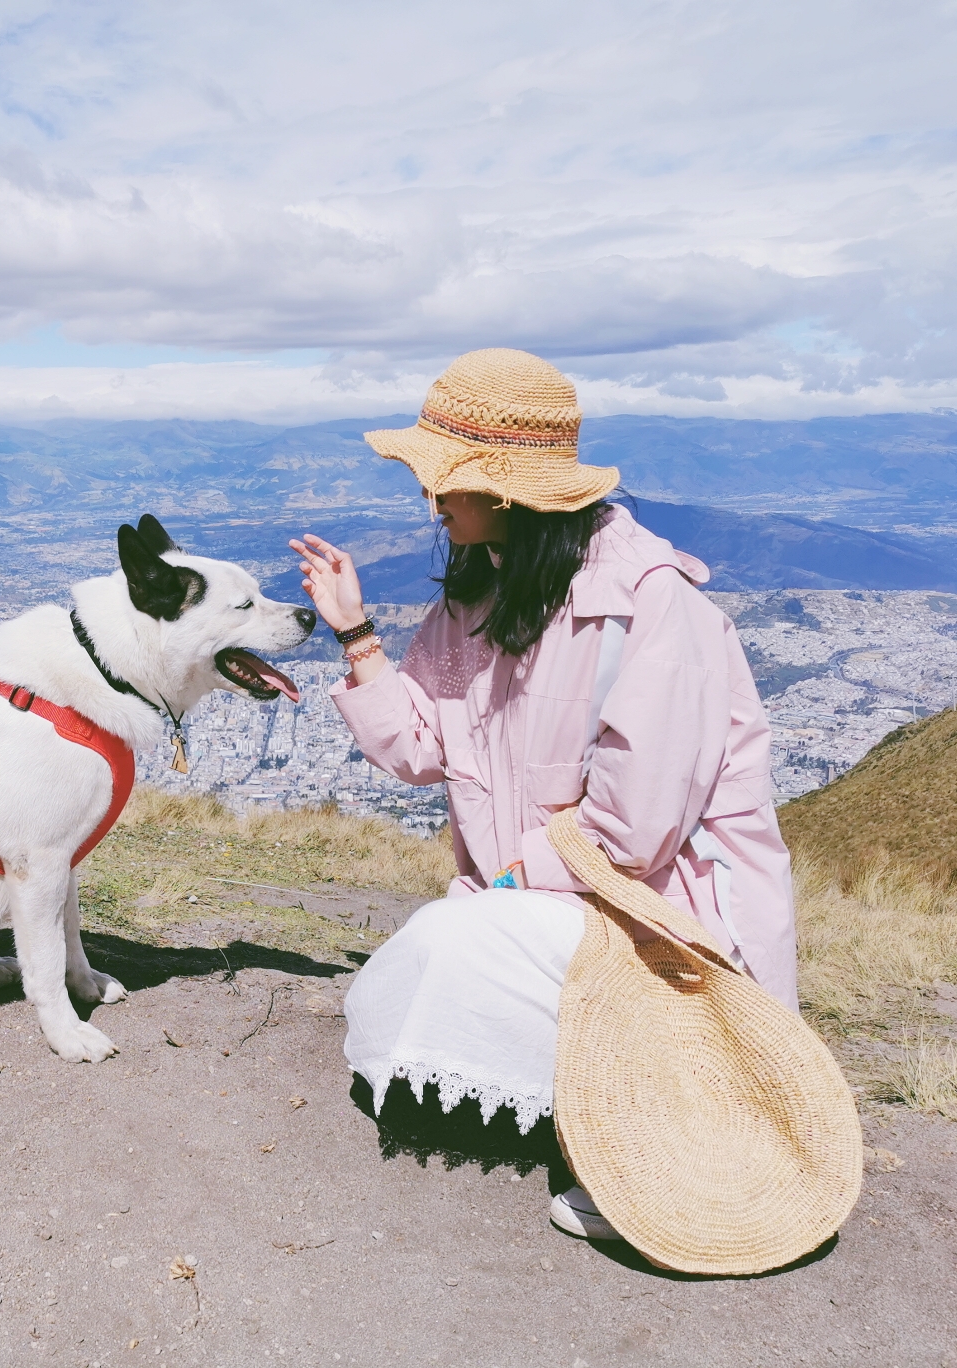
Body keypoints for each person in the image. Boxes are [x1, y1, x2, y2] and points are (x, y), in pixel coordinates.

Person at [289, 348, 797, 1243]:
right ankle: (581, 1099)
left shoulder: (647, 603)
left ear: (512, 491)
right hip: (545, 903)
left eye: (446, 479)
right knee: (417, 966)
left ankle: (649, 1120)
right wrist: (356, 632)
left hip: (657, 915)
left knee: (444, 946)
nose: (430, 500)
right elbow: (418, 751)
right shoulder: (480, 595)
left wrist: (507, 892)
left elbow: (634, 834)